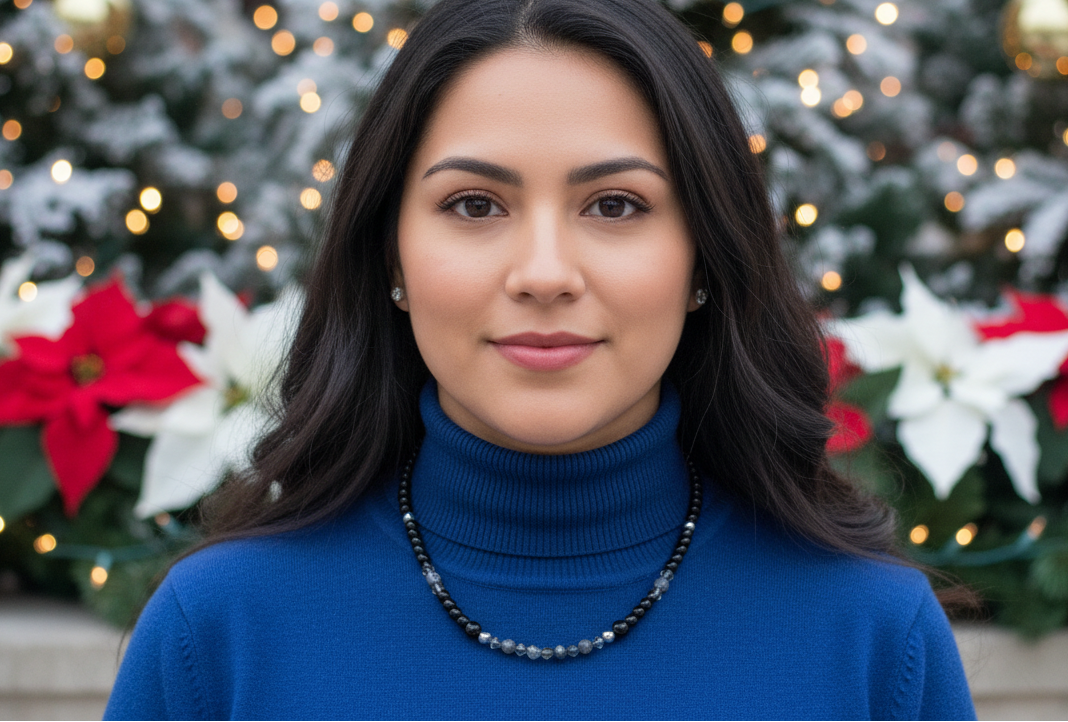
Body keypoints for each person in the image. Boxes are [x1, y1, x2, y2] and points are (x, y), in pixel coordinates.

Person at [105, 0, 975, 718]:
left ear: (704, 257)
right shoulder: (220, 634)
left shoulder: (869, 638)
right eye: (476, 204)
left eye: (617, 205)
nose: (546, 275)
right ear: (391, 258)